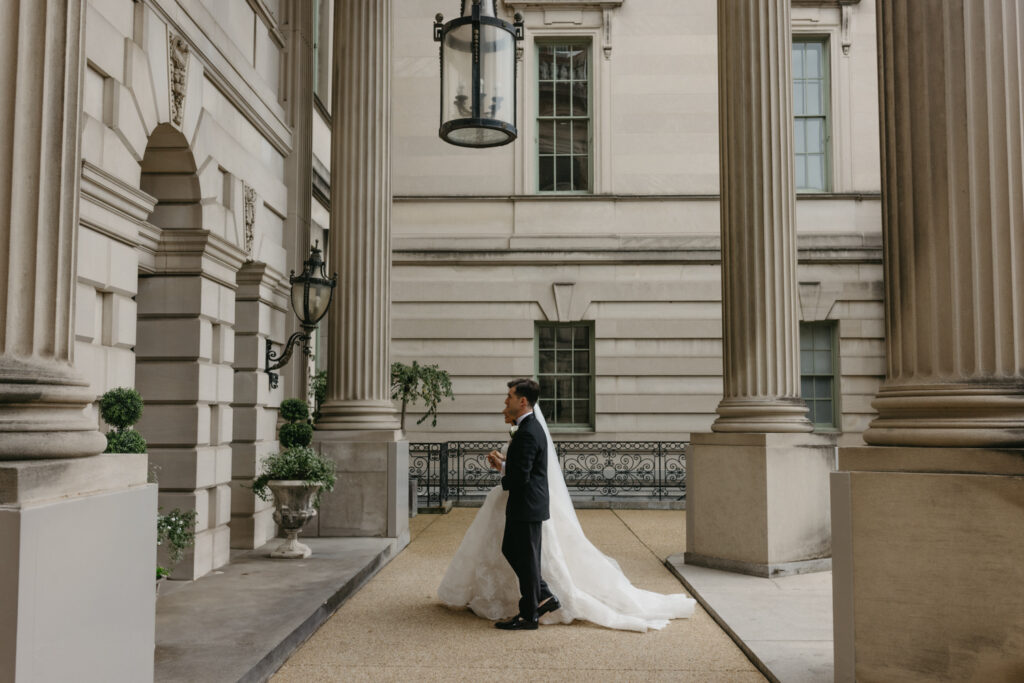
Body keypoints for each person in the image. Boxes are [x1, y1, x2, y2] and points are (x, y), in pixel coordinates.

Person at [438, 378, 697, 632]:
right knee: (516, 551)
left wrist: (503, 468)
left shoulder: (529, 431)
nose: (506, 401)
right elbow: (522, 468)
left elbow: (522, 475)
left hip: (527, 504)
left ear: (523, 401)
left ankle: (530, 614)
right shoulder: (527, 428)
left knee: (525, 558)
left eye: (510, 397)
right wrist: (506, 464)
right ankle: (543, 597)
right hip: (528, 504)